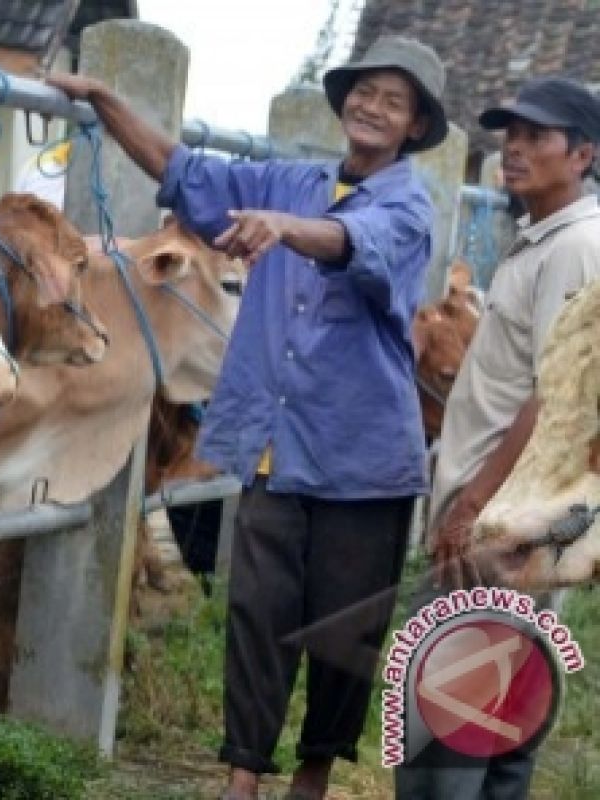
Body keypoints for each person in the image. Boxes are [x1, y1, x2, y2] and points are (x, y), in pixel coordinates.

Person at [50, 35, 448, 800]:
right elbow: (182, 172)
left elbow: (353, 243)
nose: (372, 107)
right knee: (257, 613)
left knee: (343, 629)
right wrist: (105, 101)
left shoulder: (408, 207)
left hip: (364, 458)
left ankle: (315, 772)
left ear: (415, 127)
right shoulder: (291, 180)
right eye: (364, 92)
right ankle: (242, 777)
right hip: (277, 446)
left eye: (393, 102)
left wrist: (284, 229)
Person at [395, 75, 600, 800]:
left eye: (535, 138)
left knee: (442, 728)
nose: (513, 150)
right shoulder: (543, 239)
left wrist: (472, 503)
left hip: (495, 523)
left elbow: (558, 396)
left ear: (583, 154)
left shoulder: (576, 246)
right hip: (514, 522)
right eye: (509, 135)